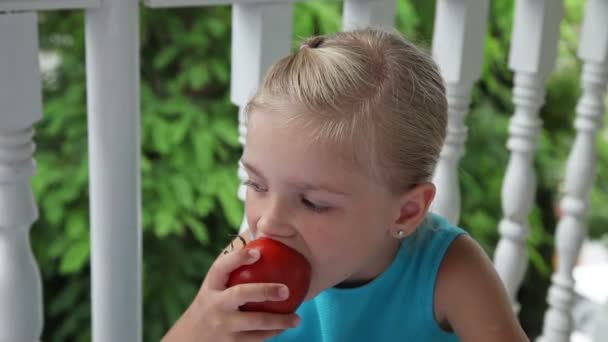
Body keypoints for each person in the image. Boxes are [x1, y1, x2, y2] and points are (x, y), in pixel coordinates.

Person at [163, 27, 528, 342]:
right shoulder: (246, 262)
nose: (268, 222)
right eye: (257, 185)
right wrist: (201, 323)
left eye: (313, 202)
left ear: (407, 211)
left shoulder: (449, 272)